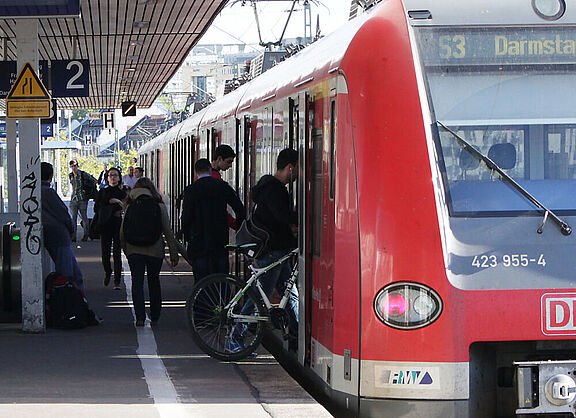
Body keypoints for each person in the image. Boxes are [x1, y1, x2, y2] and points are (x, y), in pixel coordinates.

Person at [231, 148, 299, 352]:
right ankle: (236, 337)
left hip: (279, 251)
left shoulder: (268, 186)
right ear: (290, 167)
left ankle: (296, 336)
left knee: (291, 294)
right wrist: (301, 221)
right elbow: (282, 217)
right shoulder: (275, 190)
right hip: (272, 251)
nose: (299, 174)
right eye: (299, 169)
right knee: (260, 298)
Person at [121, 178, 179, 326]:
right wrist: (173, 253)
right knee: (154, 282)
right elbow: (167, 230)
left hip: (134, 250)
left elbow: (122, 230)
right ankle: (155, 316)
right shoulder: (158, 205)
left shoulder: (129, 204)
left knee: (137, 283)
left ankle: (140, 317)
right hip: (155, 249)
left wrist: (125, 249)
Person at [181, 158, 246, 282]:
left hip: (199, 243)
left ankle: (202, 301)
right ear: (210, 170)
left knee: (201, 282)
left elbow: (186, 217)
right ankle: (222, 300)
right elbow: (239, 208)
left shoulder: (191, 190)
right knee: (221, 279)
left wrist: (188, 237)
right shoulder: (222, 186)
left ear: (196, 172)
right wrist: (240, 228)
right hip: (219, 241)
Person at [41, 162, 85, 293]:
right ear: (51, 176)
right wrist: (71, 229)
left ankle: (76, 306)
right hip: (59, 237)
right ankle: (77, 307)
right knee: (70, 275)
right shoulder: (48, 192)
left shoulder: (34, 191)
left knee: (70, 274)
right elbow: (63, 214)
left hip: (49, 236)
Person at [94, 167, 126, 289]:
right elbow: (96, 207)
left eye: (115, 175)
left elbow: (126, 207)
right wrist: (109, 202)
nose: (113, 177)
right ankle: (108, 271)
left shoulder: (123, 193)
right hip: (105, 224)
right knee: (105, 253)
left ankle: (117, 281)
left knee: (117, 253)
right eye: (110, 175)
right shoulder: (103, 192)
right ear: (107, 178)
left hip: (118, 224)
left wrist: (119, 204)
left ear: (119, 178)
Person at [68, 159, 96, 242]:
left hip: (83, 199)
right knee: (73, 218)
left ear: (77, 166)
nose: (74, 168)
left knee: (84, 217)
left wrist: (87, 189)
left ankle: (86, 234)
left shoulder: (83, 174)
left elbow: (94, 180)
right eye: (72, 166)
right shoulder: (71, 175)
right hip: (74, 198)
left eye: (75, 166)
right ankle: (73, 236)